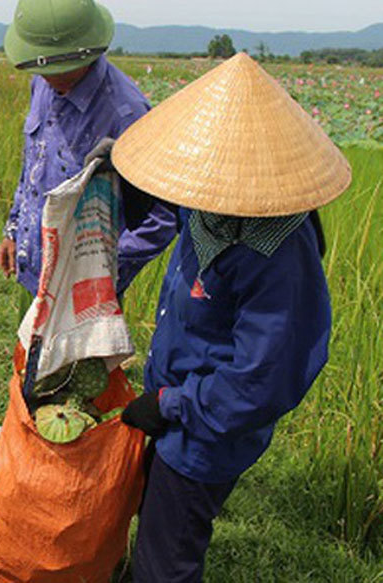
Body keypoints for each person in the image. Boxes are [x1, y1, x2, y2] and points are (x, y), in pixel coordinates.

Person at [113, 53, 352, 582]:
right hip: (177, 410)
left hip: (206, 430)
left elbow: (263, 379)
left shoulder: (277, 256)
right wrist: (119, 175)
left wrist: (172, 403)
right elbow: (163, 210)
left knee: (167, 557)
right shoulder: (210, 207)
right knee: (154, 525)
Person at [0, 0, 177, 311]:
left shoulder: (126, 113)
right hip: (34, 270)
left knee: (81, 362)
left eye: (55, 68)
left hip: (85, 295)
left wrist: (98, 275)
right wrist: (13, 231)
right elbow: (33, 167)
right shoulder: (41, 83)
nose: (45, 76)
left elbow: (162, 216)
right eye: (38, 67)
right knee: (29, 359)